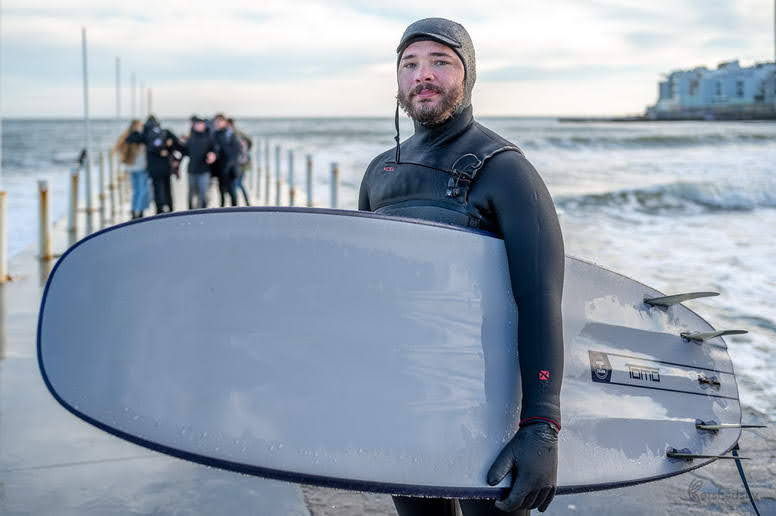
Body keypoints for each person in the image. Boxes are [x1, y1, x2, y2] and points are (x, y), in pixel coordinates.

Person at [358, 18, 564, 515]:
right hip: (405, 398)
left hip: (486, 404)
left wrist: (541, 425)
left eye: (440, 62)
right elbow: (366, 298)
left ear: (468, 75)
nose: (422, 75)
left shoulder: (504, 167)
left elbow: (539, 300)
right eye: (410, 64)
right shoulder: (379, 172)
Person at [127, 115, 184, 214]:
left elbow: (130, 139)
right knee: (167, 188)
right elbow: (179, 145)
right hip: (166, 166)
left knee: (158, 190)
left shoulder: (146, 133)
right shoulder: (166, 132)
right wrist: (169, 148)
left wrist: (138, 131)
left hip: (153, 168)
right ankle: (170, 208)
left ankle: (159, 211)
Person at [115, 119, 149, 219]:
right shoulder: (140, 137)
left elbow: (118, 149)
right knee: (142, 191)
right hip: (141, 168)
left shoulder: (126, 137)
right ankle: (138, 211)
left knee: (136, 191)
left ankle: (134, 210)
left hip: (130, 168)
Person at [183, 115, 217, 209]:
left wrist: (213, 155)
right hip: (192, 170)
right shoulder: (189, 138)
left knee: (203, 193)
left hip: (204, 170)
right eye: (197, 124)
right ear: (194, 125)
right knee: (191, 193)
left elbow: (215, 149)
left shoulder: (209, 137)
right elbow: (184, 152)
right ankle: (189, 211)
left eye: (201, 124)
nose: (199, 126)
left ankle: (202, 212)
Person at [211, 113, 241, 207]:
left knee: (232, 193)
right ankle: (221, 211)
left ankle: (235, 211)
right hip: (219, 169)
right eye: (216, 122)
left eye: (220, 121)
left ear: (225, 122)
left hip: (230, 169)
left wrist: (229, 165)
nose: (218, 123)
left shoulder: (230, 134)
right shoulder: (214, 134)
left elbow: (236, 151)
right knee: (221, 193)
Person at [228, 117, 252, 206]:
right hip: (240, 164)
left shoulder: (236, 135)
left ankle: (243, 203)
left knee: (238, 184)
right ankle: (244, 202)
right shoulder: (237, 134)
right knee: (238, 184)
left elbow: (243, 151)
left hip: (241, 164)